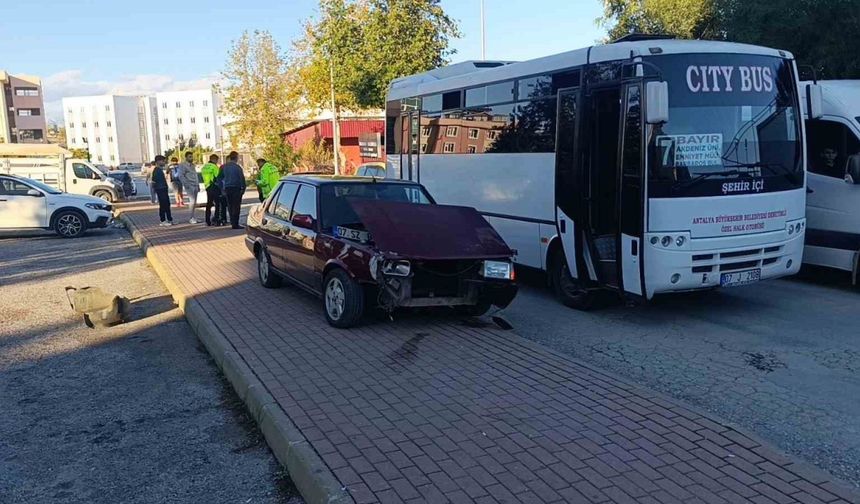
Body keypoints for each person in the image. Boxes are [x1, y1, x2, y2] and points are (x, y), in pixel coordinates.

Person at [219, 151, 246, 229]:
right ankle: (235, 223)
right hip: (236, 188)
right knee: (236, 206)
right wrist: (243, 188)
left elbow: (219, 178)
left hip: (227, 188)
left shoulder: (224, 167)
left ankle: (232, 221)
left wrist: (222, 189)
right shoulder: (238, 167)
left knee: (230, 206)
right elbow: (242, 178)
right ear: (236, 158)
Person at [177, 151, 200, 224]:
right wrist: (186, 184)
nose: (191, 158)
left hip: (195, 184)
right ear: (186, 157)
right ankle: (191, 218)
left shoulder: (193, 165)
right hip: (189, 185)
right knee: (192, 201)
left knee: (195, 202)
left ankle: (193, 217)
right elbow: (181, 175)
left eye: (192, 156)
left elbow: (195, 175)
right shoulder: (183, 165)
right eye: (190, 157)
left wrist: (198, 184)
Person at [201, 154, 223, 226]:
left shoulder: (204, 167)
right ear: (214, 160)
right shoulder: (214, 167)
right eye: (217, 160)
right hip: (214, 186)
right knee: (217, 204)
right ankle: (216, 220)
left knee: (209, 204)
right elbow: (218, 176)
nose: (217, 162)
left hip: (207, 186)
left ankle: (207, 220)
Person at [151, 155, 173, 226]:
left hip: (164, 188)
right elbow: (153, 183)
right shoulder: (156, 170)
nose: (164, 162)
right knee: (163, 205)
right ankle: (162, 220)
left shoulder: (160, 170)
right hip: (160, 189)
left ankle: (169, 219)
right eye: (163, 161)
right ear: (158, 161)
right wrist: (153, 196)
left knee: (167, 204)